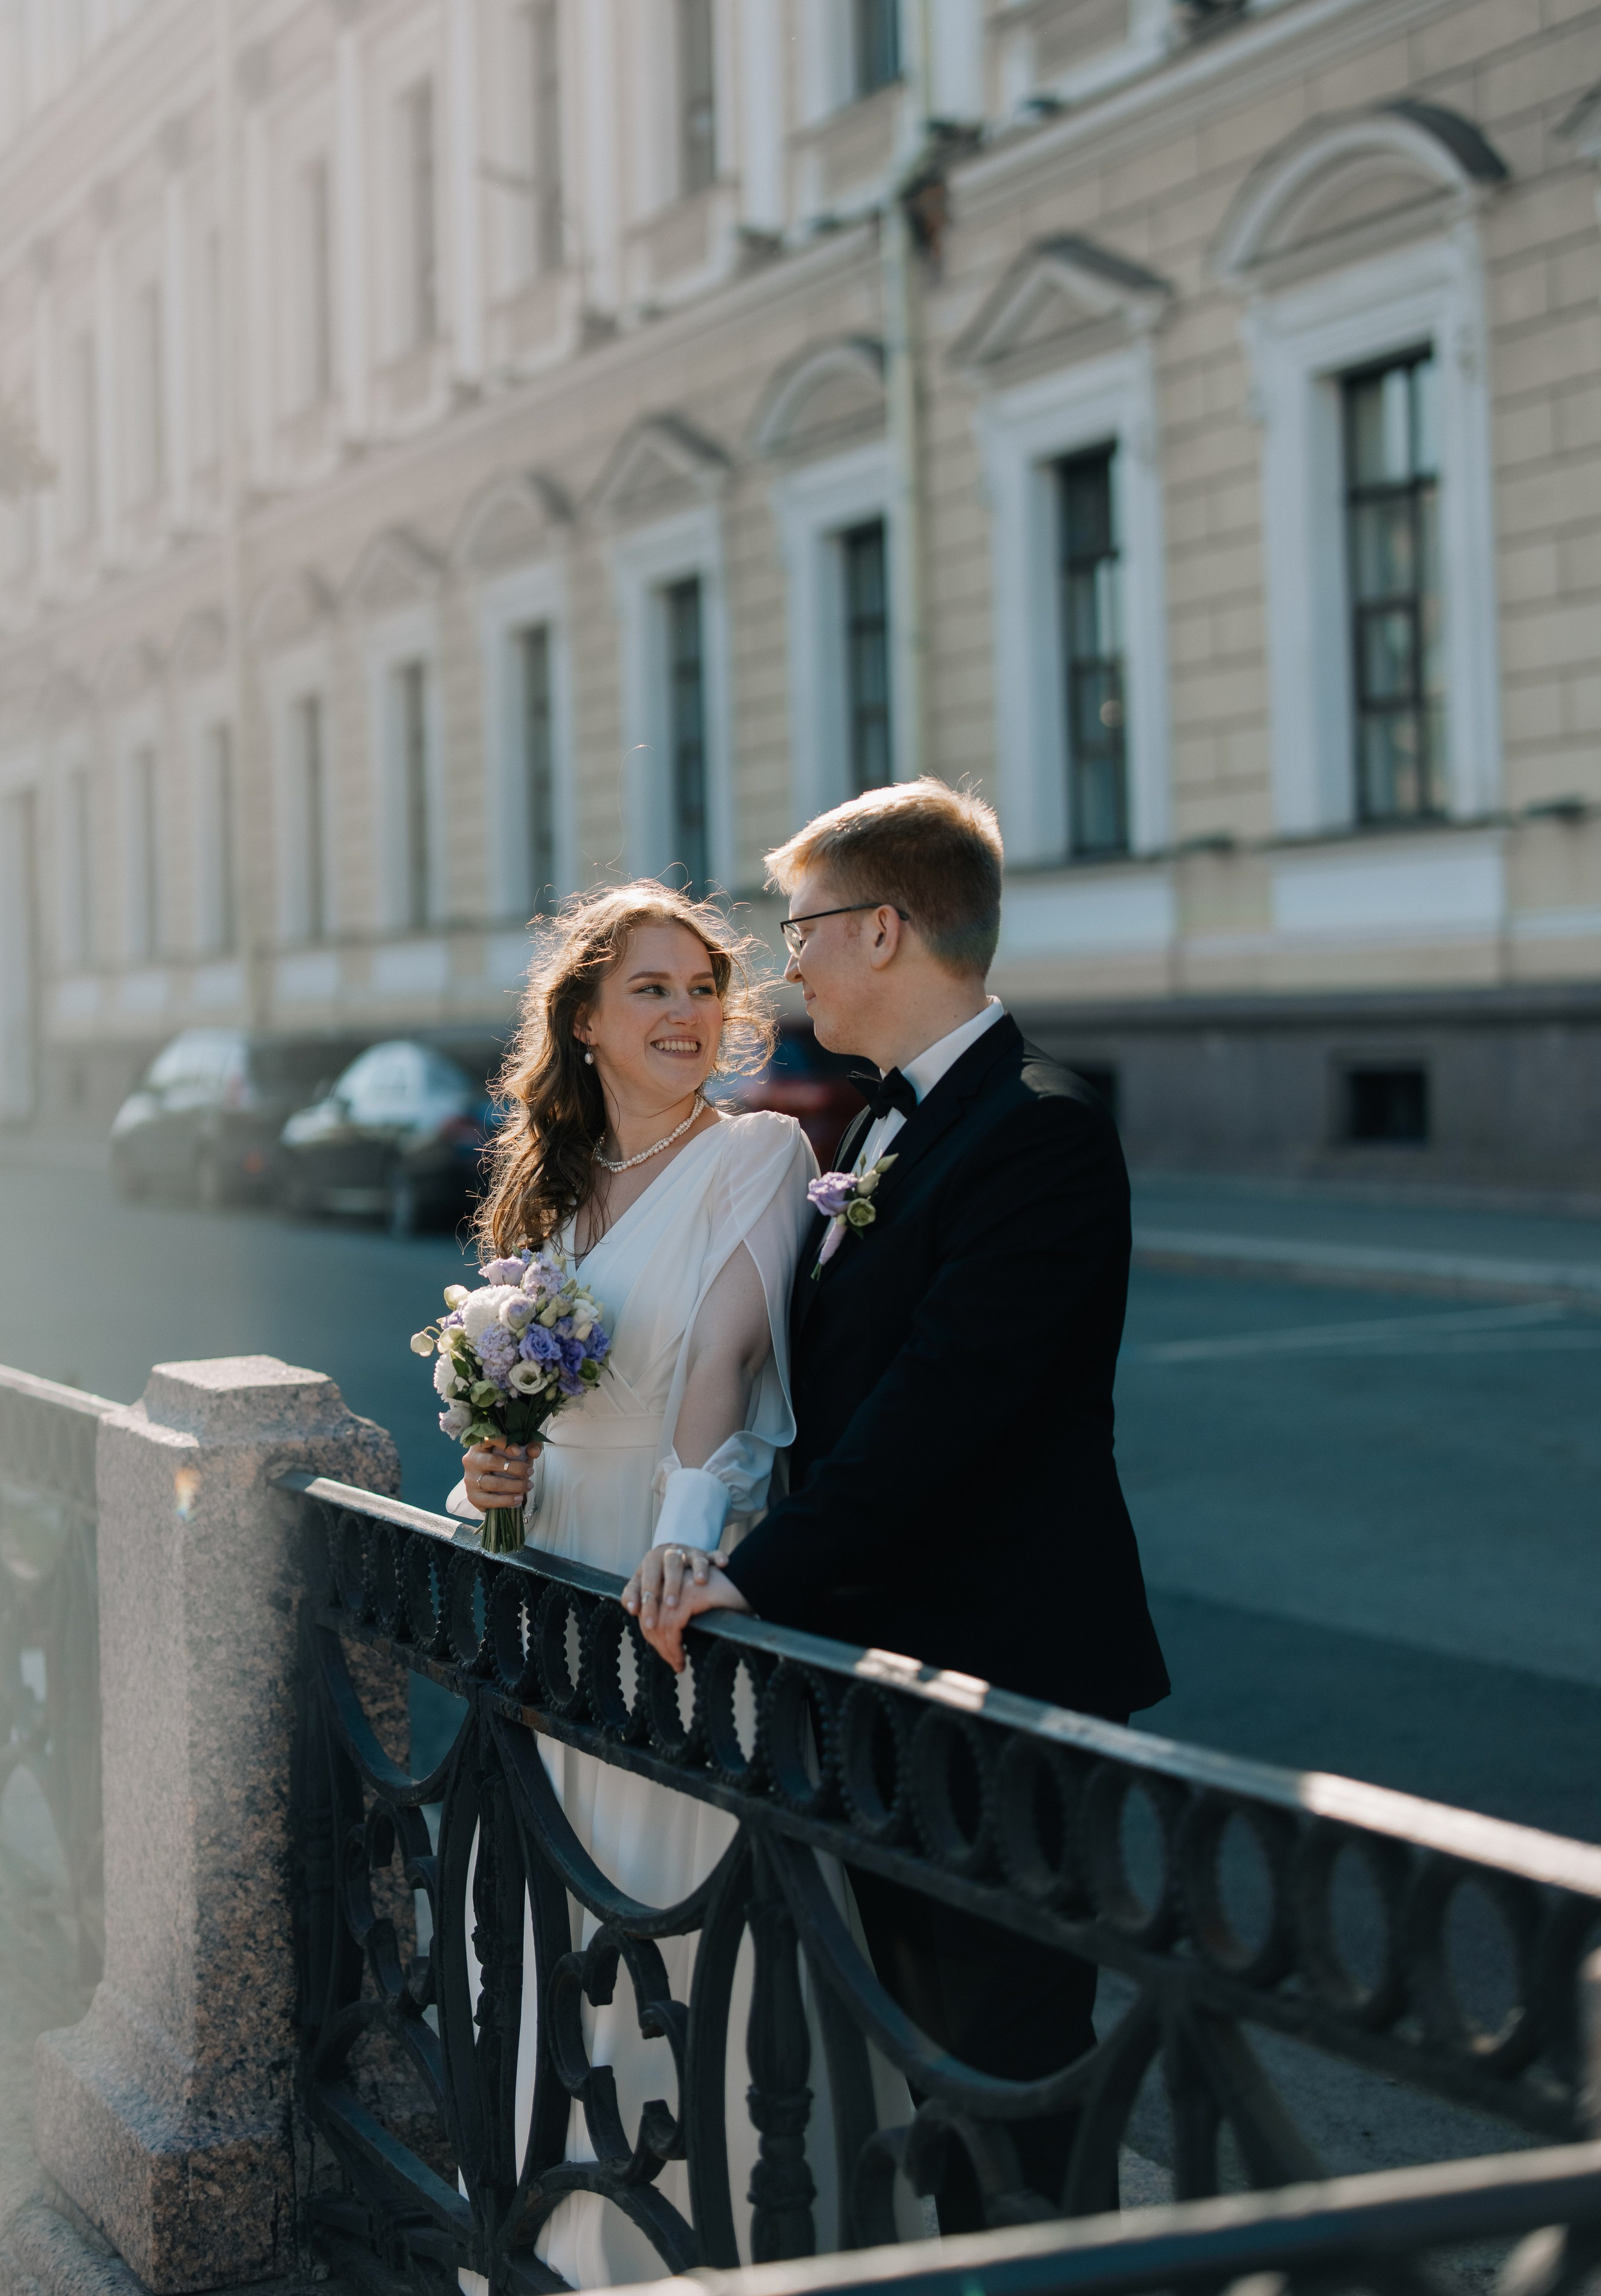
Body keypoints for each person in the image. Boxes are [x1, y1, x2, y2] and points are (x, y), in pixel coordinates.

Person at [626, 779, 1170, 2231]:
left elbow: (947, 1401)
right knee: (929, 2075)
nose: (784, 963)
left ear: (881, 928)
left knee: (1013, 2086)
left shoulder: (1037, 1130)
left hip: (997, 1680)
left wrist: (761, 1573)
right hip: (882, 1680)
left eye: (800, 929)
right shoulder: (876, 1129)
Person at [446, 881, 906, 2288]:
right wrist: (487, 1476)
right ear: (582, 1020)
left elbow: (718, 1362)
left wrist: (690, 1531)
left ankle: (687, 2254)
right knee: (551, 1913)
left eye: (704, 987)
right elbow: (508, 1415)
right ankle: (553, 2236)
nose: (687, 1013)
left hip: (659, 1571)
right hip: (549, 1572)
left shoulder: (756, 1153)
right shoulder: (549, 1189)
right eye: (650, 988)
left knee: (670, 1914)